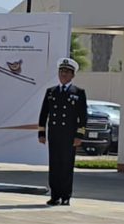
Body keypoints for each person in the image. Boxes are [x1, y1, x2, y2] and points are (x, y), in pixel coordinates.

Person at [37, 57, 88, 206]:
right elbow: (43, 113)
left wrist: (79, 135)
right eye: (61, 71)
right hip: (54, 134)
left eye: (66, 72)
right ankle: (55, 195)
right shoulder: (51, 92)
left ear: (72, 75)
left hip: (69, 135)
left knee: (66, 165)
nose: (63, 74)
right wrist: (41, 132)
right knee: (54, 166)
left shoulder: (78, 92)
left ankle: (66, 196)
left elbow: (82, 116)